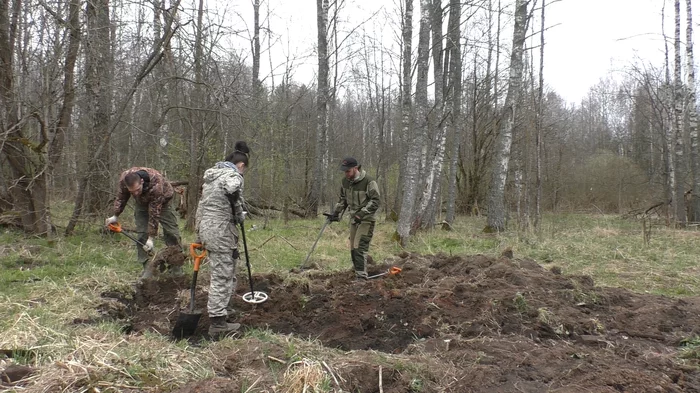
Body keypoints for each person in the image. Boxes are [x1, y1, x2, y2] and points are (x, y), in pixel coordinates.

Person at [195, 141, 250, 338]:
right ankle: (218, 323)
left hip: (208, 229)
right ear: (241, 166)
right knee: (222, 275)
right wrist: (239, 212)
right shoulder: (232, 176)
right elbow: (233, 188)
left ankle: (224, 310)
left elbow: (202, 207)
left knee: (226, 270)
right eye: (244, 171)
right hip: (221, 231)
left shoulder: (211, 179)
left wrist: (198, 233)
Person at [105, 167, 182, 278]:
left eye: (137, 190)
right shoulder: (124, 180)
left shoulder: (155, 182)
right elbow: (121, 197)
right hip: (142, 203)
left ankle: (176, 268)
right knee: (142, 235)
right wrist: (115, 215)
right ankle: (149, 268)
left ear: (141, 181)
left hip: (163, 201)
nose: (135, 193)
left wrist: (151, 238)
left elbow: (154, 212)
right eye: (132, 192)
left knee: (172, 233)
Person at [330, 157, 381, 279]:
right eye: (344, 171)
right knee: (353, 247)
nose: (346, 173)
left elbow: (375, 201)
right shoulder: (345, 182)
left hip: (366, 219)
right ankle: (358, 270)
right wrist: (336, 213)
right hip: (354, 219)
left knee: (359, 246)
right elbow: (343, 199)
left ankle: (361, 277)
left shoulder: (369, 181)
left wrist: (362, 214)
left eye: (348, 171)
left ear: (355, 168)